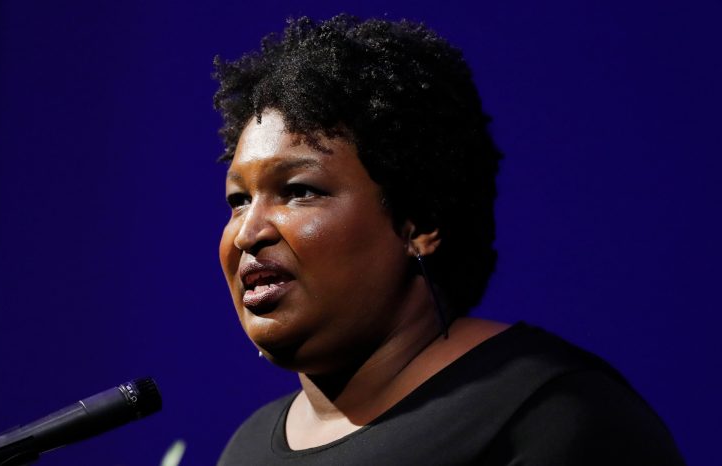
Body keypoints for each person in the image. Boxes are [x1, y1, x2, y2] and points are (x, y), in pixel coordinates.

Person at [213, 14, 684, 465]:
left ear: (419, 224)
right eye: (238, 199)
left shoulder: (553, 419)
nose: (248, 233)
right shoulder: (246, 448)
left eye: (299, 192)